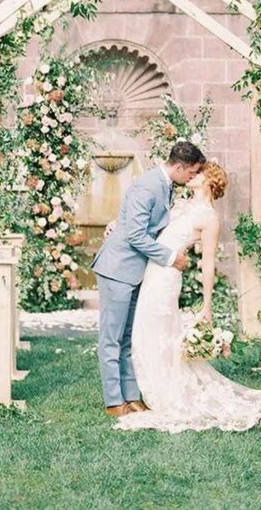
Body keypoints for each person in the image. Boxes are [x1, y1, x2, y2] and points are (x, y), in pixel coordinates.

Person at [116, 161, 261, 433]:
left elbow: (208, 263)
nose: (191, 174)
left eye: (198, 172)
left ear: (209, 180)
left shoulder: (209, 218)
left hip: (165, 279)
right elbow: (148, 226)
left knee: (156, 334)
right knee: (145, 333)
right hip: (152, 272)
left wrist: (207, 306)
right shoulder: (180, 205)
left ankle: (166, 395)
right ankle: (155, 389)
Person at [92, 141, 204, 417]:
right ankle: (113, 400)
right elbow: (136, 235)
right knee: (111, 338)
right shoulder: (148, 185)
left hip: (134, 272)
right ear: (178, 166)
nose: (192, 177)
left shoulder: (165, 186)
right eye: (191, 172)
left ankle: (131, 396)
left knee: (127, 337)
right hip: (117, 269)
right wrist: (170, 257)